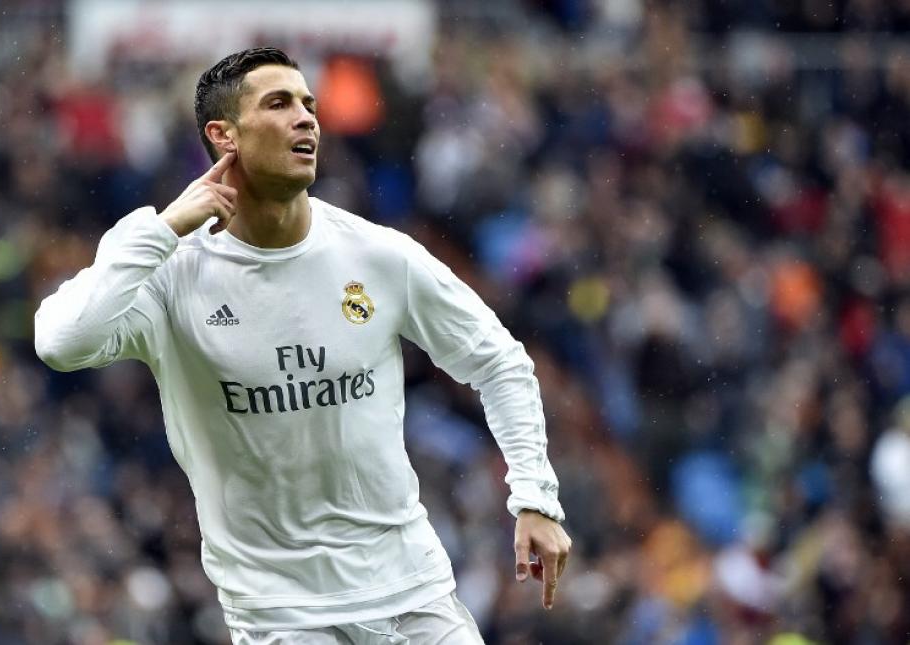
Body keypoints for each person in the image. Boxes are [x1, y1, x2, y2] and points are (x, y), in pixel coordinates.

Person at [34, 47, 571, 644]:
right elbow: (62, 341)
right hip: (279, 616)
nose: (307, 118)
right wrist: (160, 230)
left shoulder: (375, 254)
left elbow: (499, 360)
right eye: (279, 103)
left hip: (411, 593)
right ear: (223, 135)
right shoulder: (171, 274)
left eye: (309, 105)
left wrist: (535, 495)